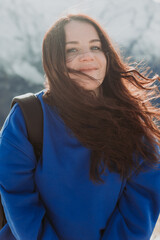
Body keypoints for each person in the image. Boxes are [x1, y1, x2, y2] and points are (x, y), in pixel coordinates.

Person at [0, 13, 160, 240]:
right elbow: (17, 197)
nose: (87, 57)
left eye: (95, 47)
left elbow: (139, 210)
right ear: (54, 60)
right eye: (72, 50)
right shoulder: (28, 117)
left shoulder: (135, 125)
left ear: (107, 55)